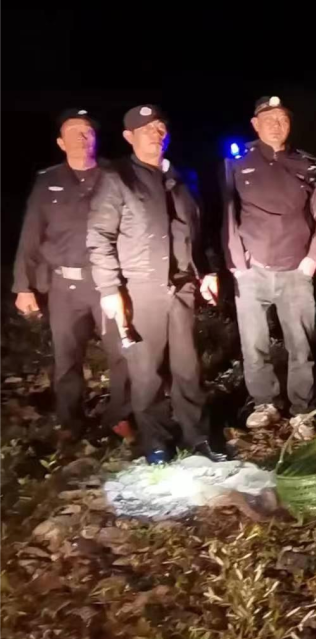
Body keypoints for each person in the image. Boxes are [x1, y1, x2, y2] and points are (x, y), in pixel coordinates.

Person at [87, 105, 224, 464]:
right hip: (140, 290)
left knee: (188, 369)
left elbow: (199, 231)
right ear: (129, 136)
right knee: (146, 374)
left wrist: (208, 270)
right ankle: (157, 443)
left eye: (160, 127)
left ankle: (198, 438)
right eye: (146, 128)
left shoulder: (182, 177)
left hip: (181, 288)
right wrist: (109, 289)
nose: (156, 133)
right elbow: (99, 237)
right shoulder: (117, 178)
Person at [13, 109, 130, 440]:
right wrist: (23, 286)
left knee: (122, 352)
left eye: (87, 131)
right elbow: (31, 234)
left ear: (95, 138)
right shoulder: (47, 181)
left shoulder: (115, 175)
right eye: (72, 132)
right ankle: (69, 421)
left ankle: (121, 416)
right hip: (64, 285)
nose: (81, 137)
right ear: (60, 142)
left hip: (107, 282)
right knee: (67, 357)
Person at [223, 95, 316, 436]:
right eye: (268, 119)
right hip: (252, 268)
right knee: (254, 345)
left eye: (282, 118)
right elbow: (226, 211)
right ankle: (264, 404)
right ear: (255, 124)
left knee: (301, 346)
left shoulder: (309, 164)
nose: (276, 125)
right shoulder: (236, 161)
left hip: (296, 268)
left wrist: (314, 257)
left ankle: (301, 410)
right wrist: (236, 261)